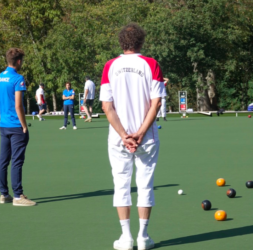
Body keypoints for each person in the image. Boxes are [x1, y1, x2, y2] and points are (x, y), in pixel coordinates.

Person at [100, 23, 164, 250]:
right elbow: (156, 103)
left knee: (121, 184)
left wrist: (124, 135)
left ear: (121, 43)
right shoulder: (151, 64)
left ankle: (126, 238)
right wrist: (139, 133)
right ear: (141, 42)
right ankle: (143, 238)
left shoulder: (110, 66)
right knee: (145, 185)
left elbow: (107, 107)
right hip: (146, 138)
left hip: (118, 138)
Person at [0, 48, 36, 206]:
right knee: (17, 161)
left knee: (3, 160)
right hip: (16, 127)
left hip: (4, 126)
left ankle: (4, 194)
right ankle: (18, 196)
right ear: (18, 61)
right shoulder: (18, 78)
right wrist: (24, 125)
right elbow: (18, 106)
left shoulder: (0, 77)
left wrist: (2, 118)